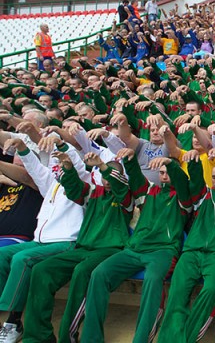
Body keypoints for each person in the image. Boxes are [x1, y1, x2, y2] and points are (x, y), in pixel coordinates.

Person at [81, 150, 192, 343]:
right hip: (134, 249)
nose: (164, 176)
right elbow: (133, 175)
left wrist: (171, 164)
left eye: (168, 172)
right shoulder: (149, 191)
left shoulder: (183, 197)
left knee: (152, 280)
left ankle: (141, 339)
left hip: (163, 251)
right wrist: (129, 158)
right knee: (99, 274)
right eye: (162, 172)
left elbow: (181, 181)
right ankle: (91, 338)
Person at [22, 152, 132, 343]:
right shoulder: (93, 193)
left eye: (113, 175)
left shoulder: (126, 197)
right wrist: (68, 167)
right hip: (82, 249)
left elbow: (119, 186)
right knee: (41, 270)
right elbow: (73, 187)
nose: (107, 180)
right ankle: (37, 336)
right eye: (105, 175)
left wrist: (104, 167)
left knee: (82, 272)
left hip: (111, 250)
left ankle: (68, 337)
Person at [0, 136, 86, 343]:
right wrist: (21, 147)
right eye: (56, 165)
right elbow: (35, 168)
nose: (58, 168)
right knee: (2, 255)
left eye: (63, 165)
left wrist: (64, 148)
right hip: (40, 241)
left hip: (66, 241)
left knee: (23, 259)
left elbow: (79, 168)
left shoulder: (84, 183)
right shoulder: (51, 184)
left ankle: (9, 317)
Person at [156, 150, 215, 343]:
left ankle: (185, 338)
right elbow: (193, 182)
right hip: (192, 252)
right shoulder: (203, 196)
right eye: (214, 177)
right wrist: (190, 163)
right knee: (177, 292)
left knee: (211, 290)